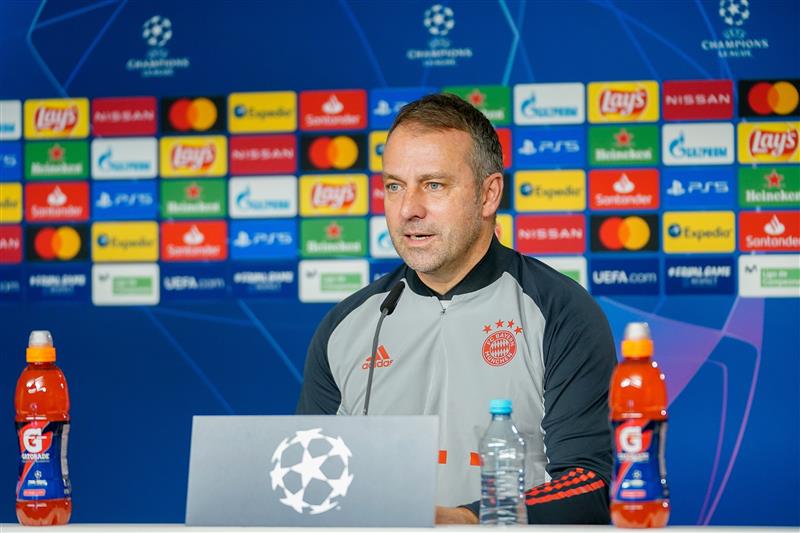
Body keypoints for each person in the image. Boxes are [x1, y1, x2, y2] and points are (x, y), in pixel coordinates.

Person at [296, 93, 616, 524]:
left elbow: (588, 486)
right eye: (394, 186)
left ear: (488, 195)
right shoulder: (346, 326)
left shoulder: (560, 312)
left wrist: (468, 521)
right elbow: (306, 485)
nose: (408, 209)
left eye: (433, 185)